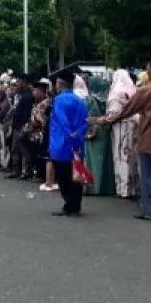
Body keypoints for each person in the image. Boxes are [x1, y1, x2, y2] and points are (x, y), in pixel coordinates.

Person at [100, 55, 151, 222]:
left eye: (148, 70)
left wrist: (107, 120)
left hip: (149, 141)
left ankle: (148, 211)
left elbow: (127, 110)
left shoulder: (146, 90)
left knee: (147, 179)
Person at [48, 70, 90, 217]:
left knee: (63, 176)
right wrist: (77, 137)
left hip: (62, 143)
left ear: (60, 84)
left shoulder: (59, 100)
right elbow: (86, 121)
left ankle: (69, 205)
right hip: (77, 143)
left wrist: (70, 136)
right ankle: (76, 205)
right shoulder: (80, 100)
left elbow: (63, 121)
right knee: (75, 174)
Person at [108, 69, 140, 199]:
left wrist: (104, 120)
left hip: (120, 128)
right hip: (133, 128)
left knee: (120, 157)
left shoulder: (115, 93)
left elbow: (113, 114)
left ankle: (123, 189)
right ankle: (133, 188)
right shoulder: (134, 91)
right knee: (132, 158)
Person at [82, 76, 115, 196]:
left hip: (93, 134)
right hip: (104, 132)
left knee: (92, 161)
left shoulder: (89, 100)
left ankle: (93, 187)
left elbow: (84, 118)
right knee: (105, 160)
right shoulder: (107, 100)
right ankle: (105, 187)